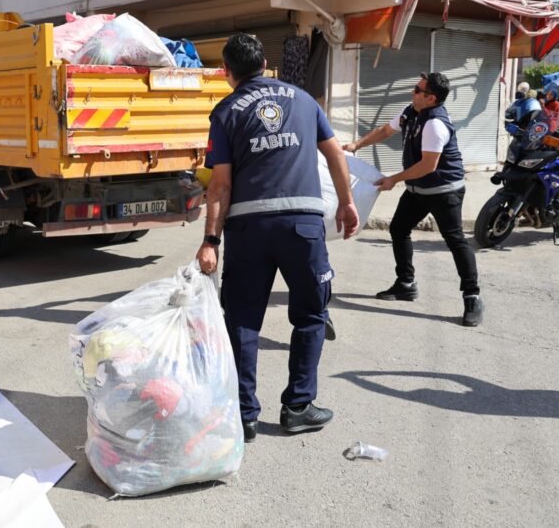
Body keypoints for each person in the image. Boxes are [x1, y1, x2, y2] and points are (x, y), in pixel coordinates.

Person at [196, 33, 359, 443]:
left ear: (227, 72)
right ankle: (299, 407)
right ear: (266, 63)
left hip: (249, 229)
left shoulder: (226, 111)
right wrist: (346, 203)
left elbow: (220, 185)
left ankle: (243, 414)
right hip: (302, 225)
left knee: (243, 320)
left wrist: (210, 240)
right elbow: (336, 154)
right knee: (310, 315)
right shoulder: (304, 101)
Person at [342, 72, 484, 327]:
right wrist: (356, 145)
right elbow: (386, 130)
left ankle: (472, 296)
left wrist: (393, 179)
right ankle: (406, 284)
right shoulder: (412, 111)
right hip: (419, 190)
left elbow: (428, 165)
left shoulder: (435, 124)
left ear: (430, 98)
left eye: (417, 90)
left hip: (444, 190)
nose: (412, 92)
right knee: (399, 229)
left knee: (455, 240)